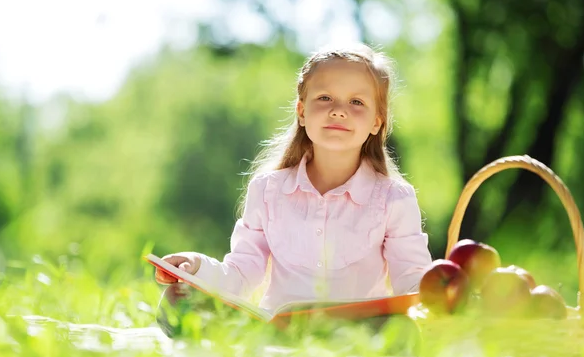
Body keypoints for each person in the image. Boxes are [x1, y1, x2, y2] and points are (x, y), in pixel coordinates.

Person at [155, 43, 433, 321]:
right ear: (301, 112)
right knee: (178, 302)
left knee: (402, 325)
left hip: (360, 333)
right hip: (277, 333)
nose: (338, 111)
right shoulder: (267, 190)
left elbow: (411, 281)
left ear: (376, 122)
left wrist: (442, 290)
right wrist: (196, 267)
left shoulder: (394, 198)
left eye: (356, 102)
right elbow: (241, 272)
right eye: (325, 98)